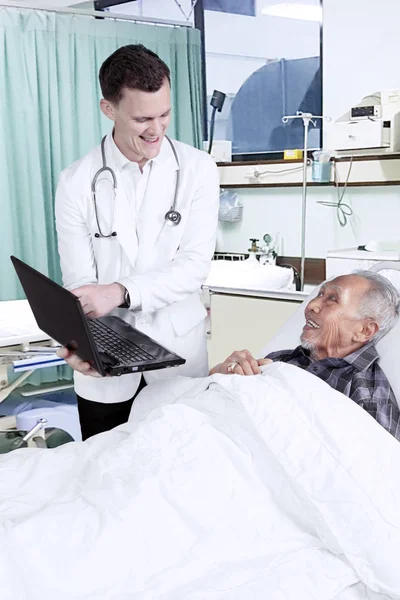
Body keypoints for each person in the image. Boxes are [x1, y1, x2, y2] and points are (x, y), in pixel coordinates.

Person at [55, 44, 219, 440]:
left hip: (178, 355)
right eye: (143, 118)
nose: (156, 129)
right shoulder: (76, 183)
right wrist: (79, 344)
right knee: (103, 475)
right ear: (108, 109)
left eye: (164, 114)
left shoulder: (197, 169)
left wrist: (120, 291)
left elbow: (195, 266)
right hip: (106, 366)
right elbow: (80, 284)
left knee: (178, 471)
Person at [210, 271, 400, 441]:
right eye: (319, 294)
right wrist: (222, 373)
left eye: (332, 299)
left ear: (365, 330)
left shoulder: (367, 394)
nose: (312, 305)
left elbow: (379, 472)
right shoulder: (281, 359)